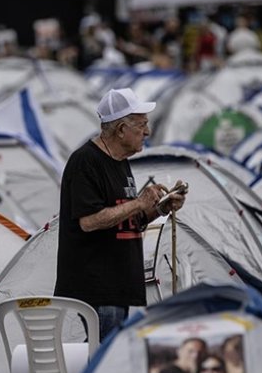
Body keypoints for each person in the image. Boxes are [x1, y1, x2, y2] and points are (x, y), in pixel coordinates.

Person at [54, 88, 186, 340]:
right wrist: (139, 202)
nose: (147, 132)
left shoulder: (120, 161)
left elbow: (125, 220)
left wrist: (159, 208)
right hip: (98, 287)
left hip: (118, 285)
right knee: (105, 358)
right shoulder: (85, 162)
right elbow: (89, 222)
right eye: (142, 125)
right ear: (122, 129)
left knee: (106, 354)